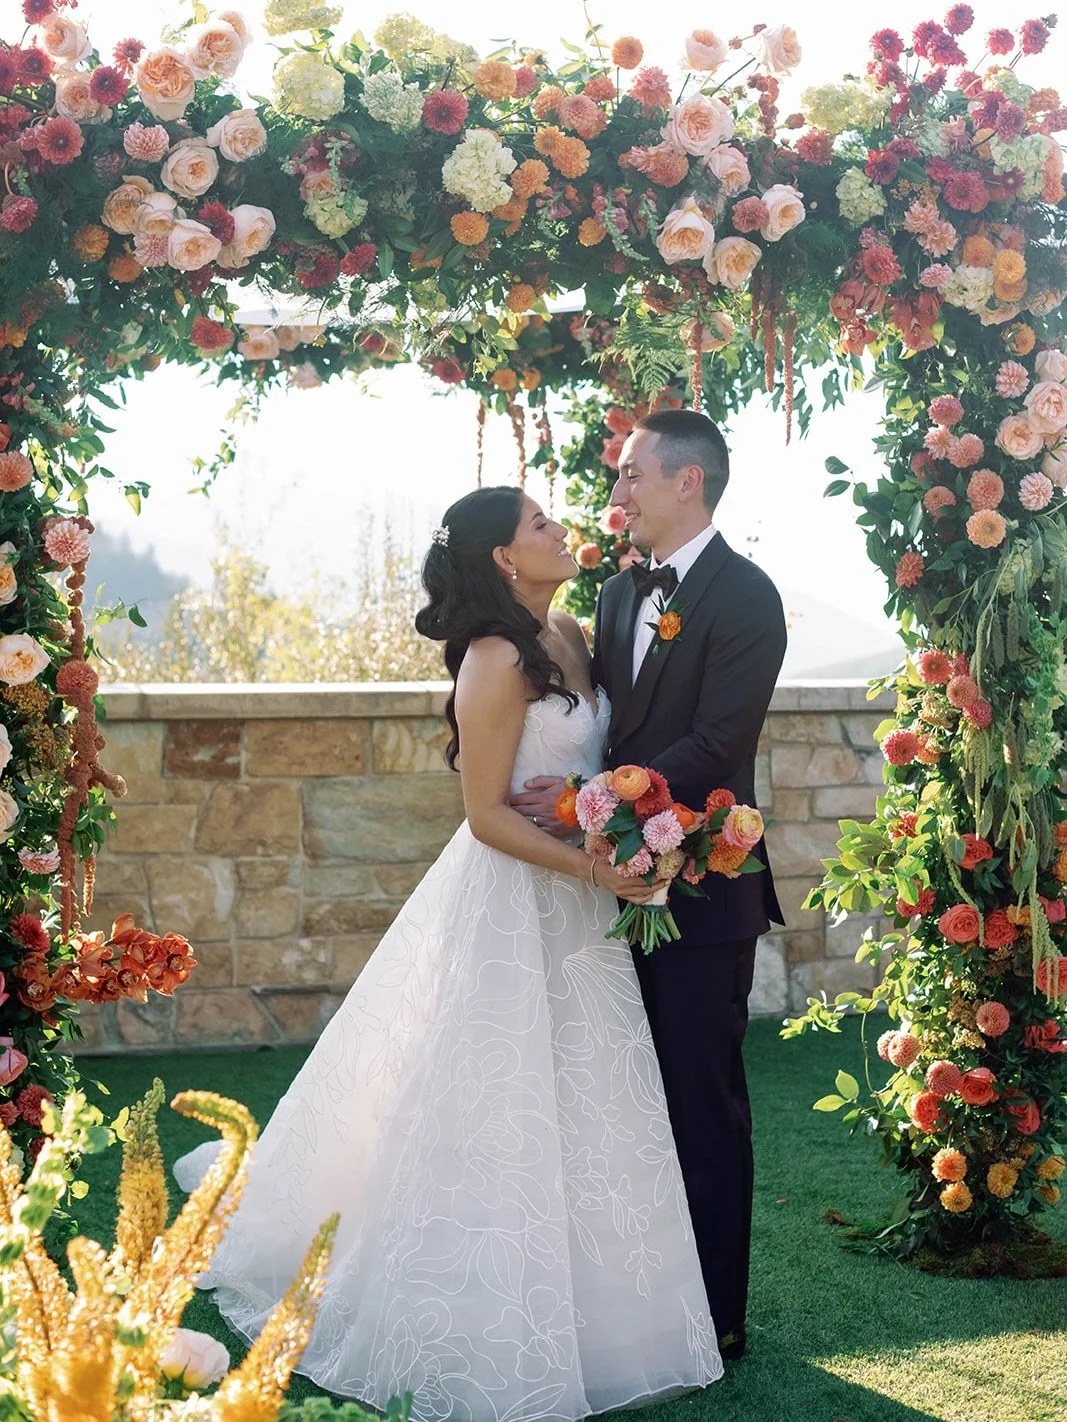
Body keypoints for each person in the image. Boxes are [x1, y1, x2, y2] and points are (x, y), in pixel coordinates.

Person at [174, 484, 722, 1420]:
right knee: (488, 1100)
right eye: (540, 525)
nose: (560, 530)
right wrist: (598, 873)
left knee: (585, 1099)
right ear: (505, 560)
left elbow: (578, 777)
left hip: (582, 909)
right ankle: (463, 1306)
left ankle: (604, 1320)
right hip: (517, 901)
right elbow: (479, 818)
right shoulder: (493, 656)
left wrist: (615, 830)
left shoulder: (571, 637)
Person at [513, 410, 787, 1360]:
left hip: (707, 890)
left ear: (688, 485)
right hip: (610, 886)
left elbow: (716, 743)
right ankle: (636, 1305)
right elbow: (607, 724)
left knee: (698, 1099)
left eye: (632, 475)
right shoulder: (619, 594)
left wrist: (586, 799)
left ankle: (715, 1315)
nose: (616, 492)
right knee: (620, 1096)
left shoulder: (747, 597)